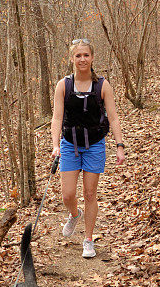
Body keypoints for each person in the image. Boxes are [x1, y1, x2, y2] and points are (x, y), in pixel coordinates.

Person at [51, 38, 125, 258]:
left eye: (86, 55)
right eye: (78, 56)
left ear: (92, 58)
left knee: (90, 193)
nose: (82, 59)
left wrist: (120, 146)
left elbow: (113, 117)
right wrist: (55, 145)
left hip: (94, 145)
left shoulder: (103, 85)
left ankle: (88, 240)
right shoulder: (63, 85)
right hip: (69, 144)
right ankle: (75, 215)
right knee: (68, 194)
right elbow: (56, 118)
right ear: (72, 59)